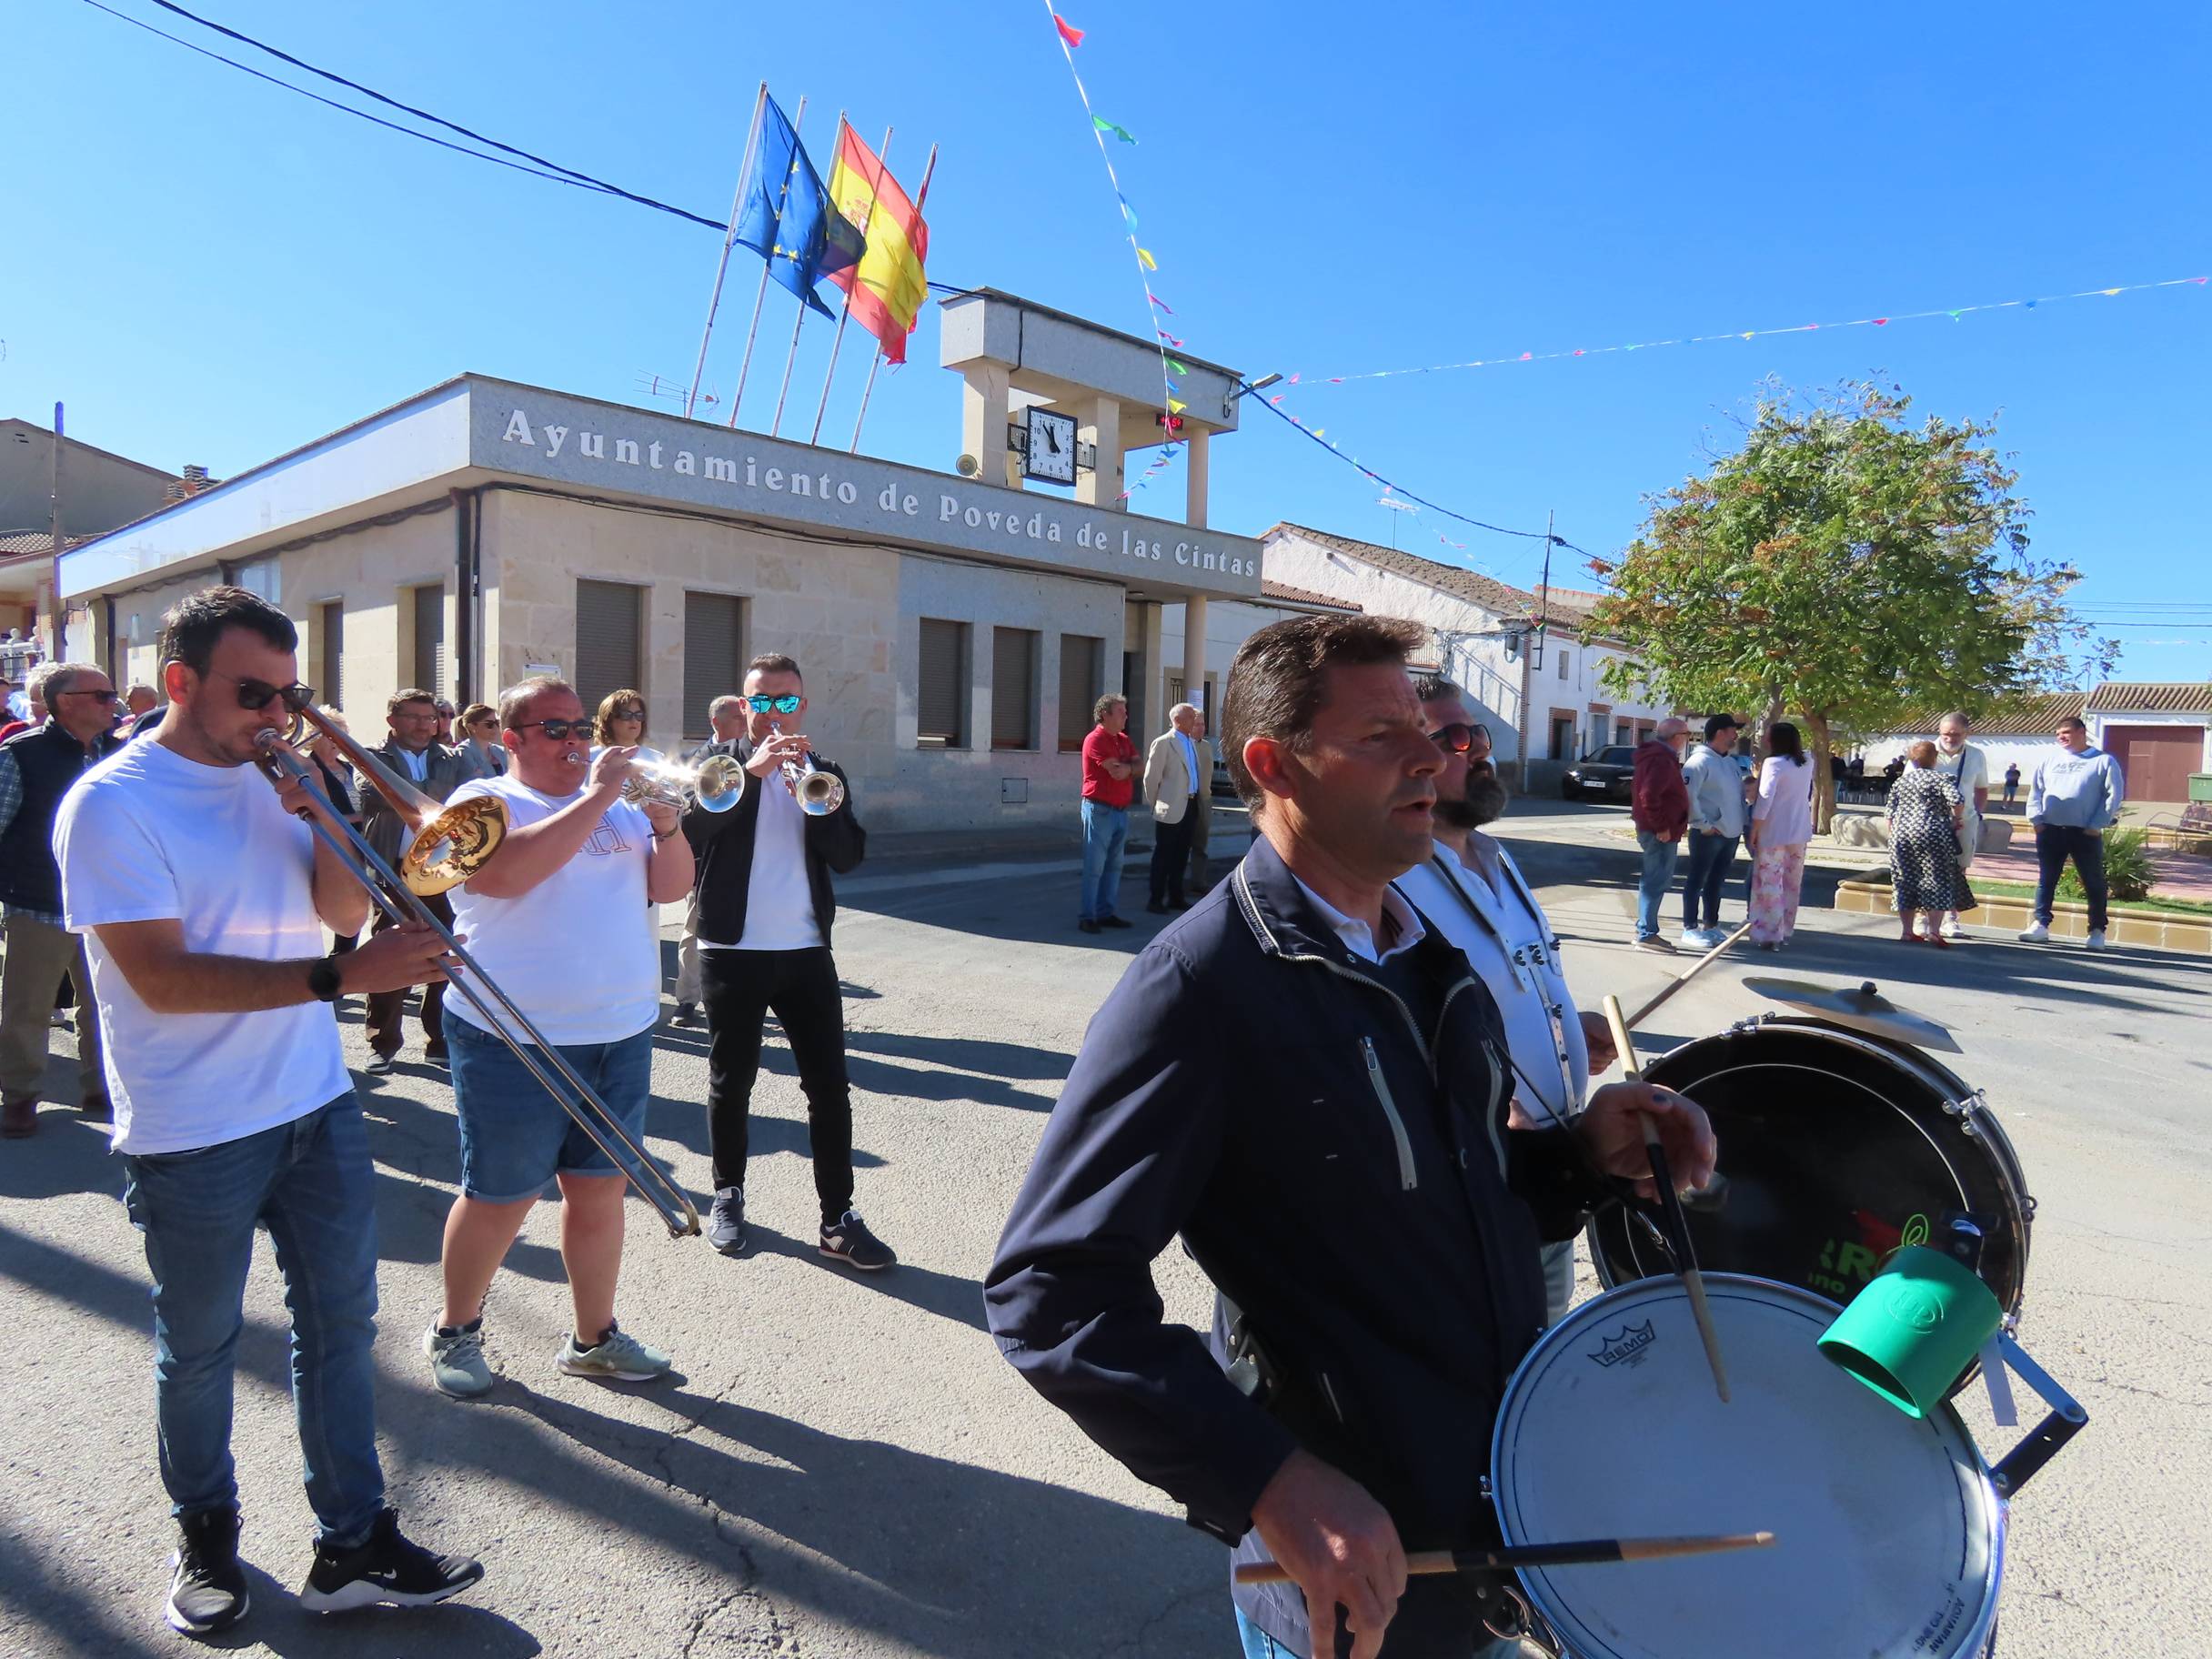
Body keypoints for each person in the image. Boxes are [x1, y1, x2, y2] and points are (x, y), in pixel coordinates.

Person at [986, 614, 1714, 1659]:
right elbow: (1050, 1292)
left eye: (1425, 725)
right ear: (1274, 766)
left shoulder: (1429, 960)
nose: (1433, 754)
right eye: (1382, 735)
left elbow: (1457, 1188)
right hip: (1346, 1567)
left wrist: (1582, 1158)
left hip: (1493, 1513)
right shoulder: (1200, 989)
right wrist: (1266, 1482)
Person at [53, 586, 481, 1636]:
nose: (277, 715)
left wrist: (331, 816)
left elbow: (338, 911)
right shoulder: (113, 802)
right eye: (254, 693)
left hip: (314, 1103)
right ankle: (205, 1533)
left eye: (289, 693)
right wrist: (345, 979)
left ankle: (353, 1542)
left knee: (341, 1329)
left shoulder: (277, 777)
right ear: (183, 683)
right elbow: (161, 979)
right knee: (197, 1348)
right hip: (192, 1127)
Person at [421, 675, 695, 1400]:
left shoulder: (624, 806)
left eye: (580, 728)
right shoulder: (479, 805)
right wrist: (600, 795)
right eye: (555, 730)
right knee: (501, 1198)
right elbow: (505, 877)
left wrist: (666, 826)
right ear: (511, 739)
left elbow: (669, 890)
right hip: (513, 1036)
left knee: (600, 1193)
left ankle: (594, 1338)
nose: (576, 742)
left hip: (620, 1028)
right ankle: (456, 1327)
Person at [1396, 676, 1618, 1328]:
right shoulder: (1394, 880)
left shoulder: (1497, 858)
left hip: (1555, 1168)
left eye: (1481, 734)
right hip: (1484, 1180)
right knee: (1500, 1370)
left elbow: (1510, 983)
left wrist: (1568, 1033)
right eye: (1456, 738)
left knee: (1539, 1356)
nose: (1480, 751)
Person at [683, 655, 891, 1270]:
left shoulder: (823, 773)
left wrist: (814, 800)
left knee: (829, 1088)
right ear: (744, 707)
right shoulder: (714, 769)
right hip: (732, 950)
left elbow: (850, 856)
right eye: (762, 701)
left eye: (785, 700)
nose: (773, 711)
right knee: (732, 1082)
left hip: (804, 951)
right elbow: (692, 837)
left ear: (801, 705)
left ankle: (837, 1218)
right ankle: (727, 1195)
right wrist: (750, 776)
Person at [0, 663, 123, 1137]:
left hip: (107, 905)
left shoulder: (119, 753)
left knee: (104, 1003)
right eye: (102, 695)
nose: (113, 703)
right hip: (38, 903)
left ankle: (101, 1089)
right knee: (27, 1007)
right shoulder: (22, 755)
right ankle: (20, 1097)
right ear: (66, 702)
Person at [359, 689, 466, 1073]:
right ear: (392, 721)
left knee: (444, 952)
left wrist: (417, 794)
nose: (424, 725)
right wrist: (433, 796)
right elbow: (375, 793)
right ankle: (382, 1042)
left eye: (430, 717)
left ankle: (437, 1039)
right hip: (393, 869)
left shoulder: (452, 757)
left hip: (444, 871)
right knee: (390, 953)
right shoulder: (372, 756)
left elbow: (465, 798)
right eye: (414, 717)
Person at [672, 693, 749, 1027]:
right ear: (717, 722)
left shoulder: (755, 755)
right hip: (704, 861)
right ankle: (687, 1001)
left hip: (747, 858)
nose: (747, 724)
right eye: (739, 717)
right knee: (693, 932)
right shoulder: (694, 759)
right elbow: (686, 813)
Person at [2019, 714, 2127, 951]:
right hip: (2051, 830)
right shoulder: (2050, 761)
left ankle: (2097, 930)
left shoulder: (2103, 761)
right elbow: (2035, 792)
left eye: (2066, 733)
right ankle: (2040, 924)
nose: (2062, 737)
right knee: (2047, 879)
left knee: (2093, 881)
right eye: (2058, 734)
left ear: (2081, 733)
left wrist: (2097, 824)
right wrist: (2037, 820)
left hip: (2085, 833)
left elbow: (2114, 795)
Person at [1887, 741, 1974, 948]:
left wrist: (1894, 836)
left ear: (1912, 760)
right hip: (1934, 833)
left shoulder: (1901, 782)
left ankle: (1907, 931)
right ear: (1935, 759)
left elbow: (1889, 814)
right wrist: (1957, 819)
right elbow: (1957, 801)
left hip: (1901, 835)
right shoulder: (1942, 779)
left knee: (1904, 880)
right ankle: (1934, 931)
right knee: (1938, 880)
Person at [1746, 721, 1816, 950]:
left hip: (1774, 829)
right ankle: (1784, 928)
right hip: (1799, 829)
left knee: (1769, 880)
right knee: (1791, 882)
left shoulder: (1773, 763)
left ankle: (1769, 932)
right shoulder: (1806, 761)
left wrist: (1755, 828)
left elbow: (1766, 797)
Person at [1679, 714, 1746, 949]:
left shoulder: (1730, 763)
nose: (1736, 735)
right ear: (1719, 733)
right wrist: (1703, 825)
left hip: (1730, 833)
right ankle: (1689, 927)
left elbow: (1737, 796)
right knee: (1697, 879)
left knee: (1717, 881)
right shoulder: (1698, 763)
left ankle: (1711, 925)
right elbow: (1688, 797)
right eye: (1732, 730)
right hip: (1708, 834)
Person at [1078, 692, 1138, 935]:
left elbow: (1138, 767)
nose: (1126, 716)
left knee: (1115, 866)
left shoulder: (1123, 739)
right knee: (1095, 866)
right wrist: (1128, 768)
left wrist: (1129, 768)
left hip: (1120, 811)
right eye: (1121, 712)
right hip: (1099, 810)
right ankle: (1087, 916)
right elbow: (1116, 771)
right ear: (1105, 715)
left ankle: (1106, 912)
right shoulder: (1095, 740)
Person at [1630, 716, 1691, 952]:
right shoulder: (1661, 760)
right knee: (1656, 880)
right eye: (1686, 735)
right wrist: (1661, 826)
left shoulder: (1658, 757)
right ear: (1677, 737)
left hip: (1659, 828)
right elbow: (1649, 795)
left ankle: (1645, 929)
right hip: (1659, 832)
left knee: (1654, 879)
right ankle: (1647, 934)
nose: (1687, 740)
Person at [1141, 702, 1208, 914]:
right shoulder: (1164, 743)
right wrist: (1157, 804)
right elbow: (1151, 779)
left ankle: (1176, 896)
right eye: (1190, 717)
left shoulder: (1190, 742)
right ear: (1178, 720)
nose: (1194, 721)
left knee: (1182, 854)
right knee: (1164, 855)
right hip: (1169, 808)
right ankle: (1156, 899)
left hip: (1190, 804)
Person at [1933, 712, 1991, 940]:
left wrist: (1976, 813)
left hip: (1964, 821)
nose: (1950, 738)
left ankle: (1951, 918)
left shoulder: (1976, 755)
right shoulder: (1926, 750)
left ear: (1967, 733)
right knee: (1927, 869)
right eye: (1946, 734)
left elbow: (1982, 788)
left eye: (1956, 734)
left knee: (1958, 869)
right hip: (1931, 822)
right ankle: (1923, 917)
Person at [1186, 708, 1219, 895]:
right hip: (1185, 800)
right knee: (1180, 844)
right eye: (1197, 724)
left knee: (1201, 843)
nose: (1201, 728)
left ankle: (1199, 881)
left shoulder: (1206, 746)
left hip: (1204, 800)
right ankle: (1174, 884)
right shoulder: (1181, 745)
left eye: (1203, 724)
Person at [593, 688, 665, 768]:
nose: (634, 720)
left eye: (639, 715)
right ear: (608, 721)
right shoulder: (591, 759)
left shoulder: (658, 759)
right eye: (626, 715)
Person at [450, 701, 508, 783]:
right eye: (489, 724)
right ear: (471, 726)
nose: (495, 728)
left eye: (497, 723)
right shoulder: (463, 752)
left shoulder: (500, 751)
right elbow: (473, 783)